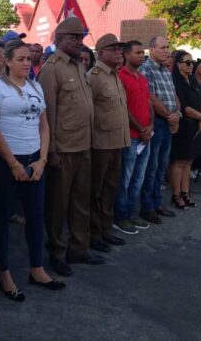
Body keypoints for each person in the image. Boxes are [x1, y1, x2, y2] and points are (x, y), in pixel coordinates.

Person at [0, 39, 65, 302]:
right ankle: (4, 274)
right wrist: (13, 164)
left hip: (32, 159)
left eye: (29, 59)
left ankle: (37, 269)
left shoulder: (35, 86)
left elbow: (44, 125)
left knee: (36, 215)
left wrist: (41, 160)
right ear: (7, 61)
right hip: (2, 160)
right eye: (20, 59)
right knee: (2, 217)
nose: (27, 63)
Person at [38, 17, 100, 277]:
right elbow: (48, 113)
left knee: (81, 200)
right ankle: (57, 252)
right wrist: (50, 150)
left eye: (81, 37)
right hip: (63, 148)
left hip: (84, 145)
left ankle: (78, 247)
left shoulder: (78, 65)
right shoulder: (52, 68)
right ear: (59, 39)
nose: (79, 42)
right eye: (73, 37)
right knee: (57, 205)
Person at [87, 34, 130, 251]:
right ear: (101, 52)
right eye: (113, 49)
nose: (118, 53)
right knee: (96, 190)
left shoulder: (114, 75)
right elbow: (88, 111)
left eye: (119, 49)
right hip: (100, 143)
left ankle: (105, 229)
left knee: (110, 188)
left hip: (116, 142)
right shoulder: (94, 76)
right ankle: (94, 234)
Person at [139, 37, 180, 223]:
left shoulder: (165, 70)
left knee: (162, 166)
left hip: (169, 121)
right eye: (163, 48)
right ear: (152, 49)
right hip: (157, 122)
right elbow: (151, 98)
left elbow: (173, 95)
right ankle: (147, 207)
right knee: (152, 166)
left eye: (168, 48)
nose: (167, 51)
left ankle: (157, 203)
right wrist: (169, 116)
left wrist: (177, 114)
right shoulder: (146, 69)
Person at [115, 41, 153, 235]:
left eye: (142, 53)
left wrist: (150, 126)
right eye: (137, 53)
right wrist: (140, 128)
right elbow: (124, 108)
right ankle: (120, 216)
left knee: (138, 178)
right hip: (130, 136)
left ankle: (131, 212)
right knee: (126, 178)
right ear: (126, 54)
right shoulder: (120, 76)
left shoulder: (141, 77)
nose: (141, 56)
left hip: (146, 136)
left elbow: (148, 103)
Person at [170, 51, 201, 208]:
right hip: (184, 126)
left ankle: (186, 192)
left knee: (188, 161)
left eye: (192, 62)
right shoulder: (177, 82)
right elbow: (185, 108)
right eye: (188, 62)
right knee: (179, 161)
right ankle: (176, 194)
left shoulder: (192, 81)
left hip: (195, 126)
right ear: (178, 65)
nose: (191, 65)